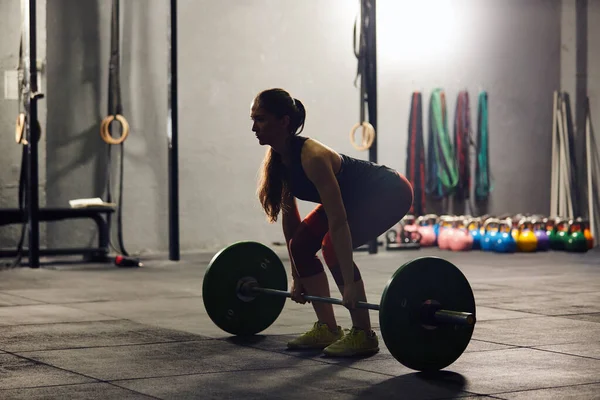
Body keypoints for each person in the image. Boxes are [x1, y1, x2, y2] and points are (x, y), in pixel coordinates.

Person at [251, 88, 413, 357]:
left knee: (332, 247)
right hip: (352, 200)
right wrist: (296, 276)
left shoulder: (312, 157)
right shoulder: (279, 161)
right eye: (253, 119)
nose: (254, 127)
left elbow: (337, 220)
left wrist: (349, 284)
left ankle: (364, 334)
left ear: (284, 122)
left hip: (389, 192)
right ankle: (328, 328)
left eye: (261, 119)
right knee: (301, 244)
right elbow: (292, 224)